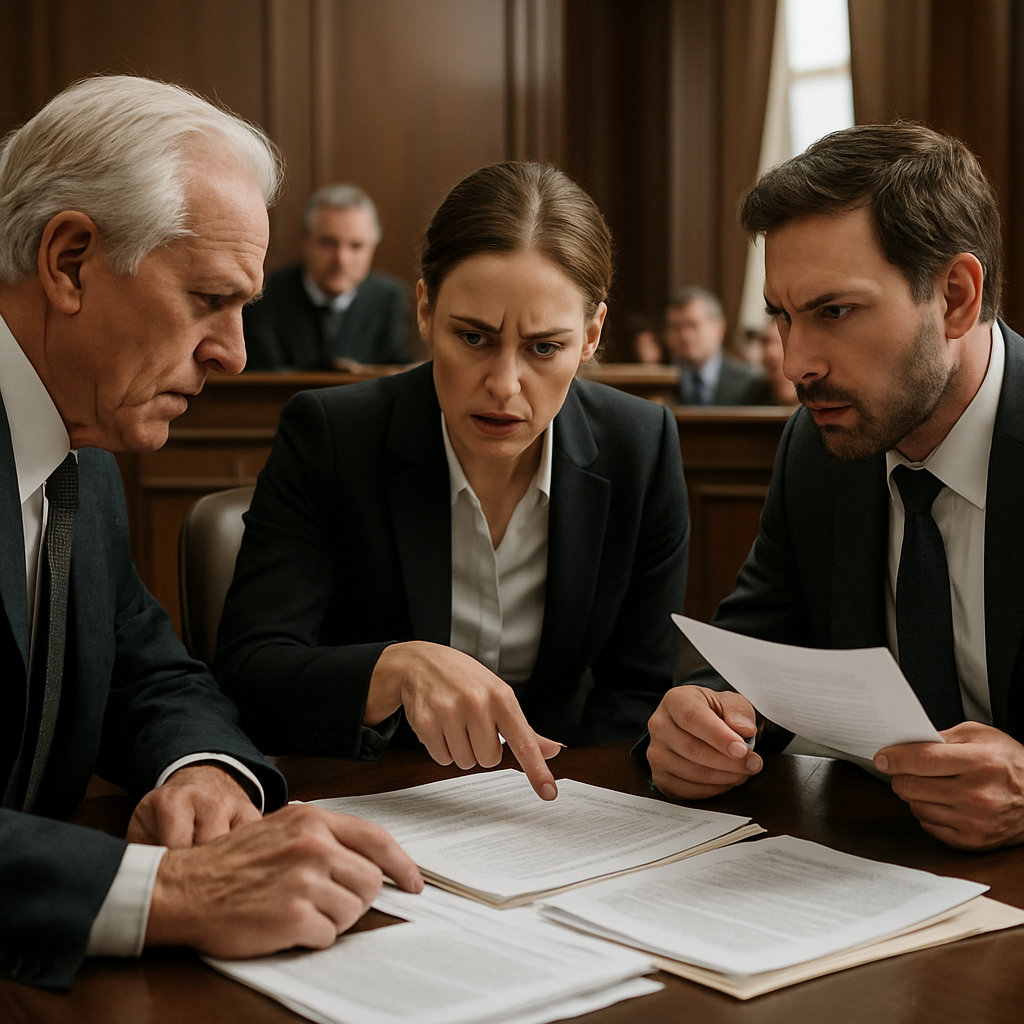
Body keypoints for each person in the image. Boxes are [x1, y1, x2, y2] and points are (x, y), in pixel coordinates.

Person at [0, 75, 420, 992]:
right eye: (206, 298)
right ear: (69, 262)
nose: (234, 353)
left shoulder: (84, 455)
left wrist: (200, 771)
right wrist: (168, 891)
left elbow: (150, 674)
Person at [215, 161, 690, 800]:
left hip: (566, 803)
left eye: (544, 348)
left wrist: (578, 802)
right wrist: (392, 669)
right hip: (376, 799)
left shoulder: (642, 447)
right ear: (424, 310)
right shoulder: (331, 435)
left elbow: (637, 687)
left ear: (591, 336)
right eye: (473, 337)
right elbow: (250, 674)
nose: (504, 385)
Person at [646, 122, 1024, 852]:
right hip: (861, 866)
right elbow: (753, 648)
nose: (796, 364)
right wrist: (703, 719)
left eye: (834, 312)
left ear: (954, 297)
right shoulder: (817, 448)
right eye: (782, 317)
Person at [242, 183, 410, 369]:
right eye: (328, 243)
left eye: (356, 246)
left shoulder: (389, 297)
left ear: (372, 248)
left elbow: (399, 370)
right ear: (305, 241)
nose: (341, 259)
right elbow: (263, 376)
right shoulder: (266, 294)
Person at [664, 286, 770, 405]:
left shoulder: (751, 383)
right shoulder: (658, 382)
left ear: (720, 328)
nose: (684, 335)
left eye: (692, 325)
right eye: (676, 327)